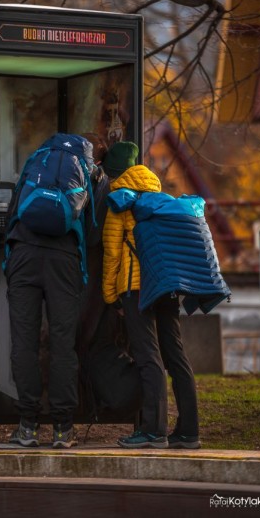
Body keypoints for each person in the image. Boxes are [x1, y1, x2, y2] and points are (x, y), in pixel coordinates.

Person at [102, 141, 201, 449]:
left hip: (136, 288)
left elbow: (112, 254)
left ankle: (153, 430)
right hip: (166, 286)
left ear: (116, 174)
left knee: (148, 356)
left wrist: (110, 297)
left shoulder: (120, 202)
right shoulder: (161, 198)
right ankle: (188, 431)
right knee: (176, 355)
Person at [5, 134, 95, 449]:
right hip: (64, 260)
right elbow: (90, 224)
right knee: (62, 344)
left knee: (24, 343)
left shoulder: (36, 162)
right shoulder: (83, 169)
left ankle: (28, 426)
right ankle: (62, 429)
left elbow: (15, 210)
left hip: (24, 254)